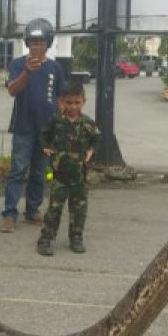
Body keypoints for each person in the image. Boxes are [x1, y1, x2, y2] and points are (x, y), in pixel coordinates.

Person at [0, 18, 64, 233]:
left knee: (40, 172)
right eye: (33, 42)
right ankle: (9, 213)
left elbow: (61, 99)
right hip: (23, 128)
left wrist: (60, 125)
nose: (37, 46)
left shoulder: (56, 67)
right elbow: (12, 91)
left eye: (41, 41)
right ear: (27, 43)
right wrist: (27, 71)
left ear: (48, 43)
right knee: (18, 170)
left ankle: (33, 209)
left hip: (46, 131)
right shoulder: (18, 64)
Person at [36, 81, 100, 256]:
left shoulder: (87, 123)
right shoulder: (56, 121)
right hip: (59, 175)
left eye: (77, 102)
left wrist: (91, 151)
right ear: (62, 102)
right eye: (69, 102)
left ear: (83, 102)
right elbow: (44, 135)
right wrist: (45, 147)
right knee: (54, 208)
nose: (73, 106)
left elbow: (96, 140)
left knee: (78, 208)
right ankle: (47, 239)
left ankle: (76, 237)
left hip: (80, 176)